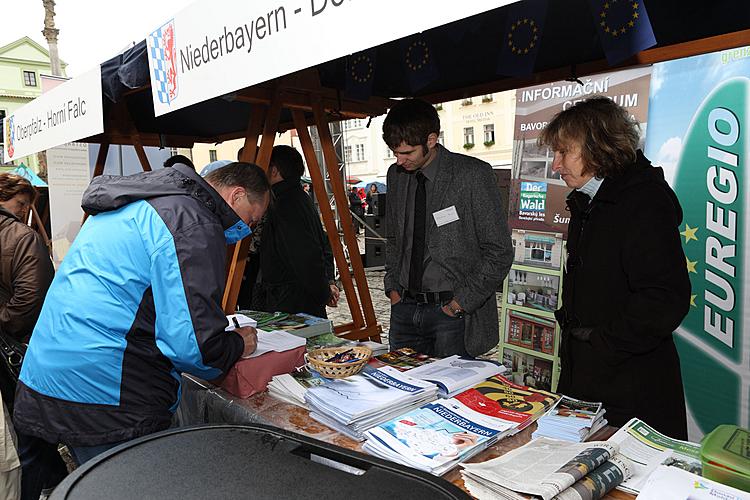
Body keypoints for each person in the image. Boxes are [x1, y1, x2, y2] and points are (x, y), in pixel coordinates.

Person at [13, 161, 270, 467]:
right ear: (236, 196)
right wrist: (238, 344)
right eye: (251, 221)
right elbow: (192, 348)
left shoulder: (140, 201)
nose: (246, 232)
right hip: (105, 393)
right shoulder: (193, 221)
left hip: (47, 373)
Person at [539, 96, 690, 439]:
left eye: (564, 152)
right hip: (590, 378)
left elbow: (665, 298)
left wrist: (602, 342)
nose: (556, 165)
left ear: (598, 147)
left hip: (630, 385)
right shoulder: (589, 199)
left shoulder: (643, 202)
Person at [382, 98, 513, 357]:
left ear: (431, 140)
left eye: (407, 153)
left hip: (452, 315)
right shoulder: (395, 176)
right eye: (394, 152)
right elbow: (395, 238)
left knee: (451, 395)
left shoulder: (471, 175)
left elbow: (499, 251)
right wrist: (393, 289)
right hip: (405, 310)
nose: (399, 160)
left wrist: (458, 304)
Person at [0, 175, 67, 500]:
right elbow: (31, 299)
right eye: (22, 204)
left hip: (10, 349)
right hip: (20, 348)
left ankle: (56, 480)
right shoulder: (21, 237)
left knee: (19, 428)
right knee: (32, 431)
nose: (25, 211)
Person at [251, 145, 339, 318]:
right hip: (298, 296)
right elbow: (322, 244)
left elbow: (306, 256)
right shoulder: (299, 197)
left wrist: (324, 291)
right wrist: (326, 285)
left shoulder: (284, 203)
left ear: (274, 171)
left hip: (291, 300)